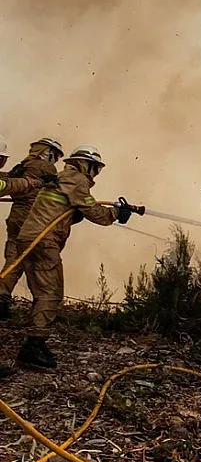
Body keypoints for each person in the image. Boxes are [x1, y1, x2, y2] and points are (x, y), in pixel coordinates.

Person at [14, 145, 139, 370]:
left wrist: (74, 215)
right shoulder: (76, 180)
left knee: (41, 292)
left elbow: (59, 210)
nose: (95, 174)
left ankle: (35, 338)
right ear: (86, 164)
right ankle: (33, 347)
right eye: (96, 168)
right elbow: (96, 213)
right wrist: (118, 213)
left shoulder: (62, 178)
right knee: (51, 293)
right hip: (44, 241)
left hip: (29, 238)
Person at [0, 137, 63, 320]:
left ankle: (2, 296)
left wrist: (10, 175)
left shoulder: (23, 166)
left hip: (15, 218)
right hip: (31, 221)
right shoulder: (46, 168)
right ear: (48, 153)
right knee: (42, 263)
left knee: (13, 257)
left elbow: (9, 184)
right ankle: (46, 307)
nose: (56, 161)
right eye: (55, 156)